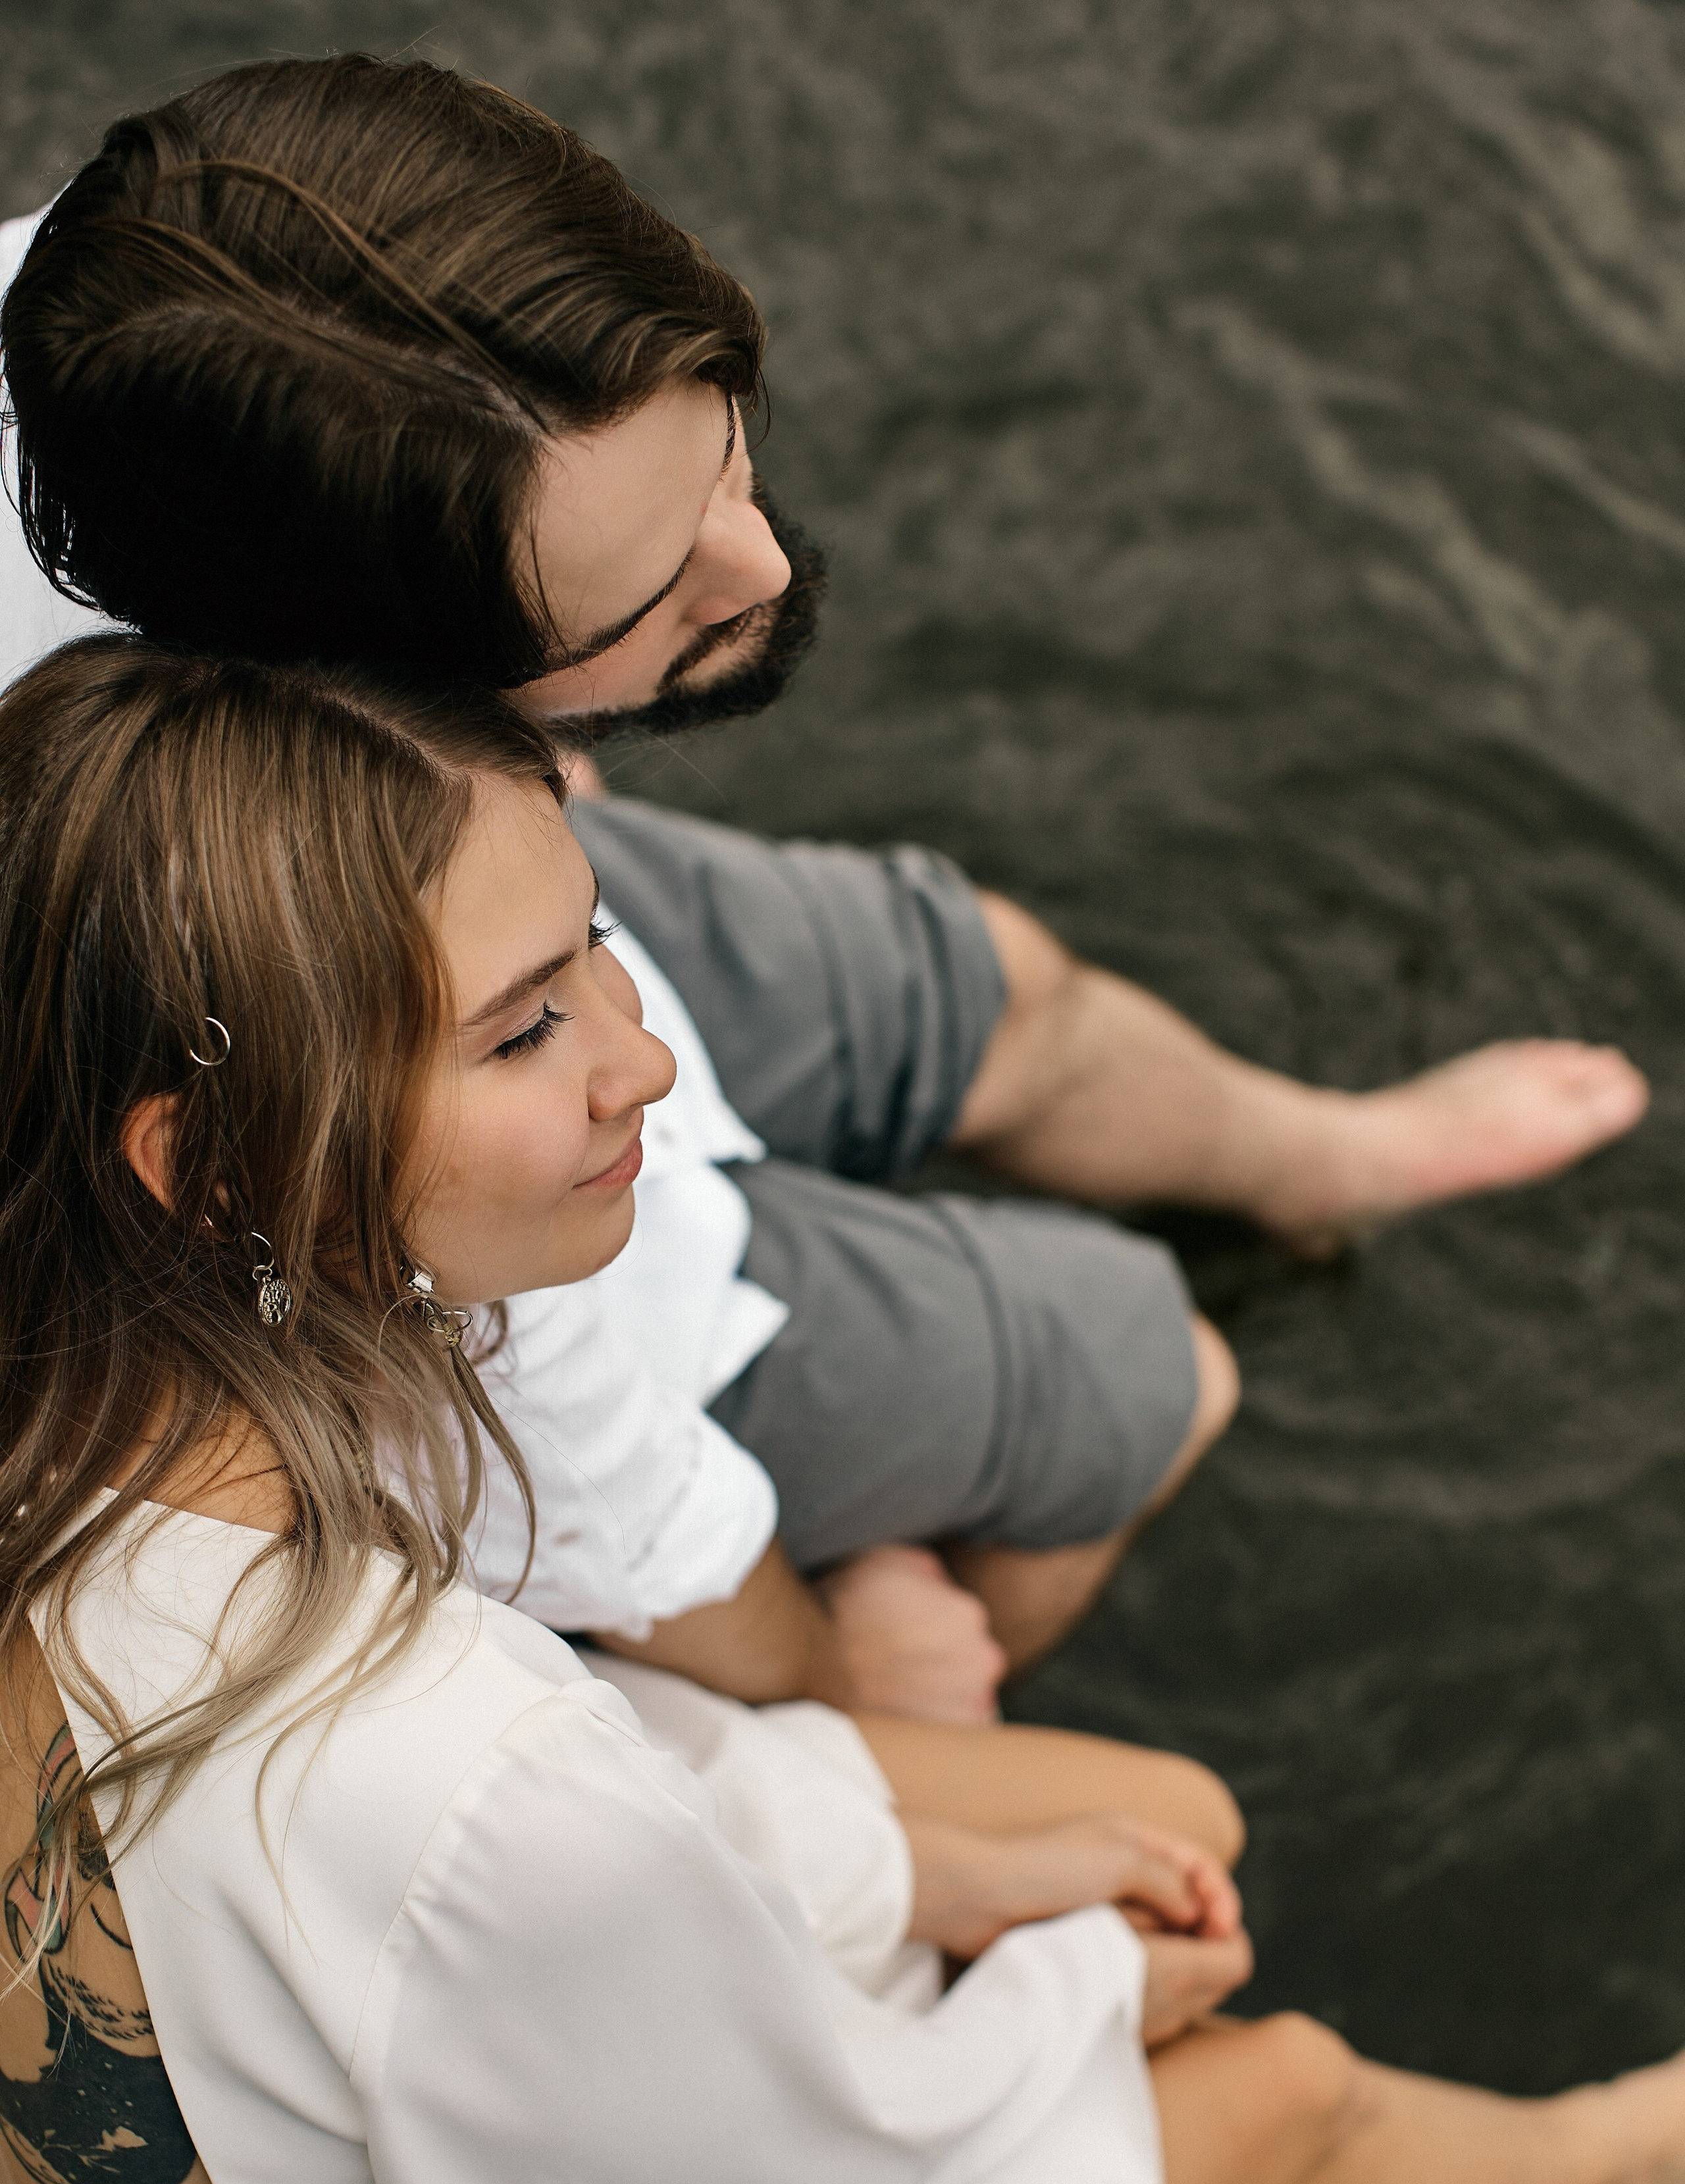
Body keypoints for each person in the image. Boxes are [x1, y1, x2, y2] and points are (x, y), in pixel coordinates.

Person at [0, 632, 1678, 2184]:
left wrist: (947, 1874)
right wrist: (1070, 1989)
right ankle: (1617, 2157)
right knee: (1288, 2092)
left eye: (600, 950)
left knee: (1147, 1821)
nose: (642, 1054)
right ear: (211, 1165)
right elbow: (788, 2177)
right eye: (527, 1024)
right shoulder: (455, 1758)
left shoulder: (87, 1441)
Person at [0, 57, 1650, 1722]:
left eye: (725, 447)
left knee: (979, 977)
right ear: (336, 680)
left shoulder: (140, 308)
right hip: (442, 1227)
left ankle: (1319, 1163)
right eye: (634, 603)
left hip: (470, 864)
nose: (765, 565)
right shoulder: (182, 977)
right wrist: (828, 1689)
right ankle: (931, 1560)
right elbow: (548, 1419)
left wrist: (538, 757)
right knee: (1146, 1373)